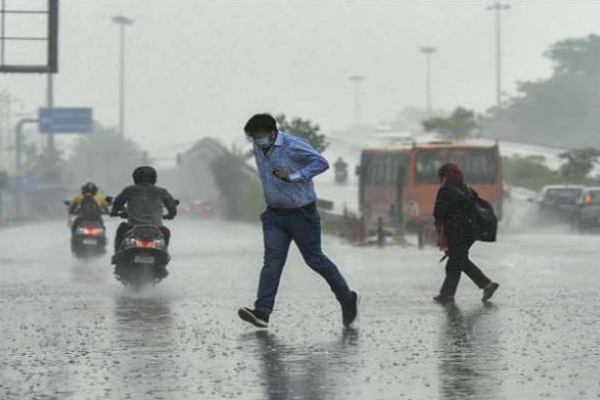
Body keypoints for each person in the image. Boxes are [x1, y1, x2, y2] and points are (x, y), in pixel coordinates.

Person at [238, 113, 359, 329]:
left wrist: (293, 176)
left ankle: (347, 298)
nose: (256, 141)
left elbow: (321, 163)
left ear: (272, 132)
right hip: (274, 215)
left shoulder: (293, 145)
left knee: (315, 260)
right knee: (272, 262)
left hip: (302, 214)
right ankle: (262, 312)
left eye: (259, 136)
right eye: (253, 138)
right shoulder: (258, 147)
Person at [433, 163, 500, 303]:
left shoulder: (446, 190)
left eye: (441, 176)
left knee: (460, 260)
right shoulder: (465, 189)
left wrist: (439, 229)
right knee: (454, 262)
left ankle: (487, 284)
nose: (440, 179)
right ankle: (447, 294)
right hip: (470, 232)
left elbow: (439, 212)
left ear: (445, 176)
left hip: (456, 232)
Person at [110, 166, 177, 256]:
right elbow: (172, 208)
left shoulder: (129, 190)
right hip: (156, 227)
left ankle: (117, 255)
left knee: (121, 230)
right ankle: (164, 256)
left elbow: (118, 202)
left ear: (136, 178)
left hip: (132, 226)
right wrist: (170, 215)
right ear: (154, 178)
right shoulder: (162, 191)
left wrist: (115, 211)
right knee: (166, 232)